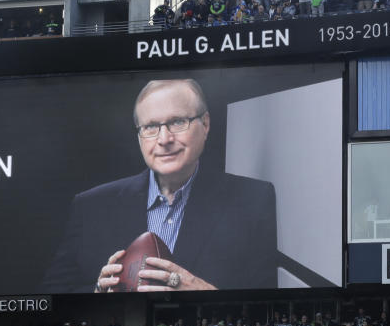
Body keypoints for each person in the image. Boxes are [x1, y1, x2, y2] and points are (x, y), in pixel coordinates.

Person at [41, 78, 277, 293]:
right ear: (139, 136)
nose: (164, 139)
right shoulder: (91, 206)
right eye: (151, 127)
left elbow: (270, 303)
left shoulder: (253, 200)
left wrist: (207, 296)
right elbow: (50, 297)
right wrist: (96, 293)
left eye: (177, 122)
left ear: (205, 124)